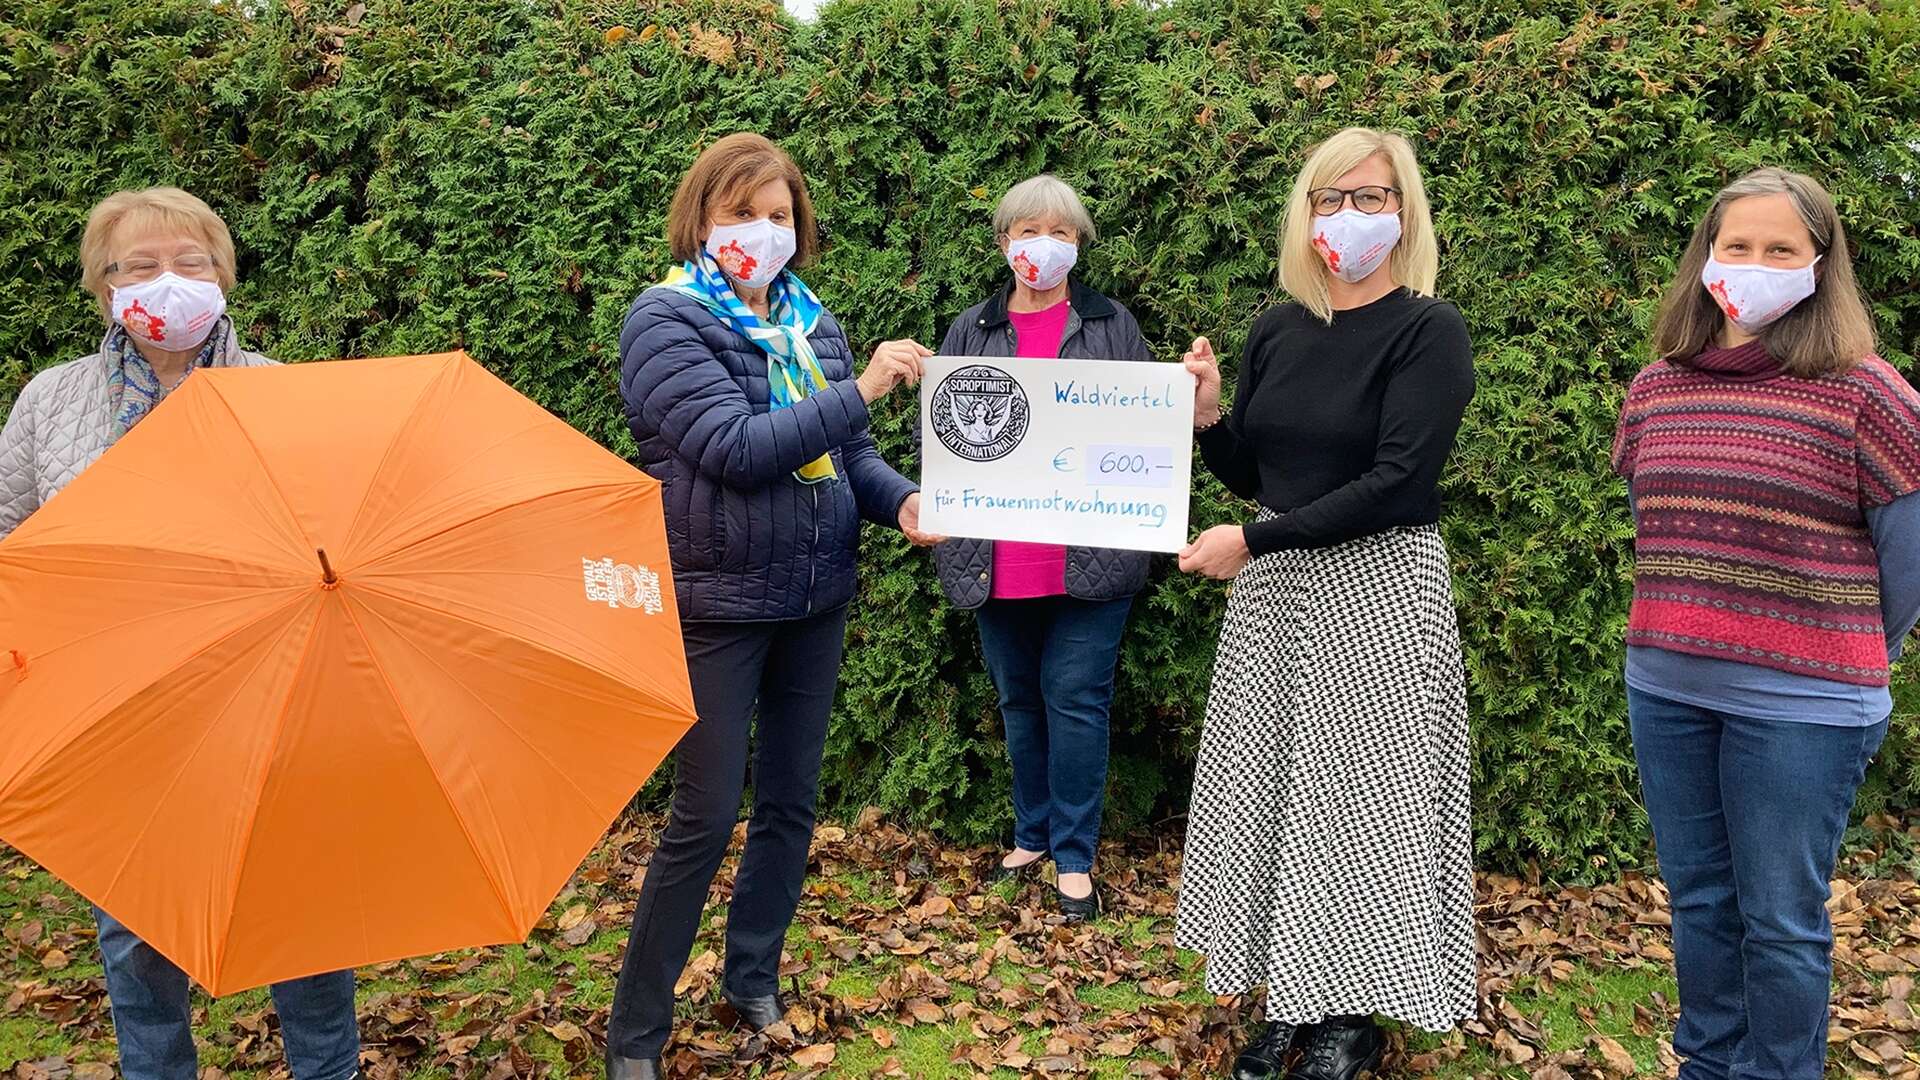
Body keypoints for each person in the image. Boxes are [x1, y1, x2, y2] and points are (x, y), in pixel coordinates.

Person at [0, 188, 362, 1080]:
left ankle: (329, 1068)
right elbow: (10, 535)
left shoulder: (281, 392)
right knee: (134, 926)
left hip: (267, 693)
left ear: (223, 274)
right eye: (139, 266)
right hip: (117, 700)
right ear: (103, 286)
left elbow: (336, 535)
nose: (168, 282)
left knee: (302, 912)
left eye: (190, 263)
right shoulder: (52, 401)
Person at [605, 133, 936, 1080]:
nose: (761, 231)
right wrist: (864, 388)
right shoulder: (665, 321)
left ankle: (751, 971)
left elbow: (846, 455)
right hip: (716, 602)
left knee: (790, 802)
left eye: (778, 214)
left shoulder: (808, 324)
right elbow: (740, 448)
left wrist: (902, 499)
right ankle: (636, 1032)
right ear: (700, 220)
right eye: (739, 213)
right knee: (704, 817)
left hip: (815, 594)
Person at [1173, 128, 1478, 1080]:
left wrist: (1253, 539)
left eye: (1373, 198)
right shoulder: (1277, 328)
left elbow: (1395, 480)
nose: (1350, 216)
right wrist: (1210, 418)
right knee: (1273, 794)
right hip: (1277, 590)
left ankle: (1350, 1014)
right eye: (1331, 198)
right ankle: (1284, 994)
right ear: (1305, 216)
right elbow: (1260, 476)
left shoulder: (1430, 331)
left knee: (1361, 806)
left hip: (1378, 587)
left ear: (1406, 213)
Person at [1611, 168, 1920, 1080]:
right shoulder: (1657, 389)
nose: (1753, 264)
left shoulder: (1869, 394)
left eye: (1780, 248)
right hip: (1667, 688)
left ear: (1821, 266)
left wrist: (1838, 654)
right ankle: (1707, 1066)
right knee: (1702, 902)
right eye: (1735, 246)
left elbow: (1908, 561)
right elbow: (1651, 529)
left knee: (1781, 920)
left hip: (1806, 708)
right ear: (1706, 261)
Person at [931, 175, 1154, 921]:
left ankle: (1074, 856)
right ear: (1003, 242)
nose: (1043, 246)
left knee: (1077, 701)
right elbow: (948, 437)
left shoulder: (1111, 324)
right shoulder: (971, 329)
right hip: (995, 554)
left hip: (1089, 556)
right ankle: (1031, 834)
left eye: (1060, 232)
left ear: (1079, 244)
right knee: (1019, 701)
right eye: (1028, 230)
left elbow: (1143, 434)